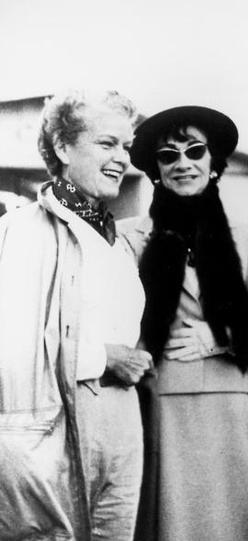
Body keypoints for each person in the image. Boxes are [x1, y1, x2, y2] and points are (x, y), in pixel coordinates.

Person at [120, 105, 248, 541]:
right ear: (155, 170)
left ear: (214, 164)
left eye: (195, 151)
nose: (183, 164)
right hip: (158, 398)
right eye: (168, 156)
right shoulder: (130, 237)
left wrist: (221, 337)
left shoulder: (242, 233)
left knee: (224, 520)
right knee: (169, 519)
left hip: (227, 400)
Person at [0, 90, 152, 541]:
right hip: (56, 421)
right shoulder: (23, 231)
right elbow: (13, 345)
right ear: (63, 148)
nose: (122, 158)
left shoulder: (117, 239)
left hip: (122, 421)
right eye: (107, 144)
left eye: (126, 146)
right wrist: (105, 358)